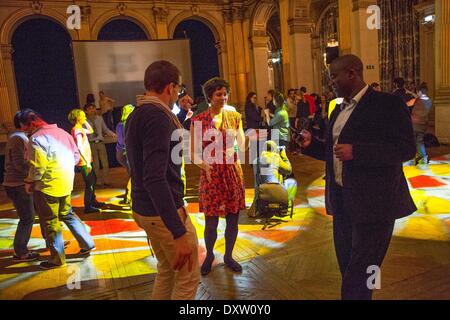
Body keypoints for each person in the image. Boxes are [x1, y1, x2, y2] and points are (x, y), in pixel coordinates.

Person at [295, 54, 416, 300]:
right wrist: (310, 145)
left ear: (352, 73)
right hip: (343, 204)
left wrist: (358, 152)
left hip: (375, 205)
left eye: (334, 77)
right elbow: (335, 153)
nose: (331, 83)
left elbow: (406, 149)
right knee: (349, 269)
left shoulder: (387, 104)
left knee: (359, 275)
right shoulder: (338, 110)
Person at [125, 60, 199, 300]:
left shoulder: (138, 113)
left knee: (167, 269)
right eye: (178, 88)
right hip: (161, 214)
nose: (178, 93)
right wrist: (178, 233)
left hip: (145, 209)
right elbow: (154, 178)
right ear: (169, 87)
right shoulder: (157, 116)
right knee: (188, 277)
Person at [19, 109, 95, 269]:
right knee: (68, 214)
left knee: (51, 222)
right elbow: (75, 156)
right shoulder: (62, 132)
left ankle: (57, 259)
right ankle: (87, 243)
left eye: (24, 127)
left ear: (32, 123)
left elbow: (38, 168)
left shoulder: (36, 139)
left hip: (47, 187)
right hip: (66, 182)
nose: (24, 131)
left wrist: (29, 181)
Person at [190, 77, 246, 276]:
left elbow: (242, 144)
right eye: (219, 94)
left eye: (225, 94)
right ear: (209, 97)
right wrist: (205, 166)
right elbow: (193, 153)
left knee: (233, 219)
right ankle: (210, 254)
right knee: (211, 221)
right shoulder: (198, 121)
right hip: (212, 176)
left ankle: (229, 256)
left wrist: (237, 129)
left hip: (232, 174)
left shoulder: (234, 117)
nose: (223, 97)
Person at [3, 111, 40, 261]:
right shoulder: (17, 138)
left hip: (20, 183)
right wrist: (34, 171)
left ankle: (50, 241)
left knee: (32, 215)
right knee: (27, 218)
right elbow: (18, 164)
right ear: (24, 123)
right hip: (17, 184)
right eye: (31, 120)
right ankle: (20, 252)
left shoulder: (20, 137)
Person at [68, 109, 105, 214]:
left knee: (93, 179)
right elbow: (79, 147)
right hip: (83, 162)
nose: (85, 117)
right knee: (90, 182)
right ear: (77, 118)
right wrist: (87, 162)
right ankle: (88, 206)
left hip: (86, 160)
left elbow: (91, 131)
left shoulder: (80, 128)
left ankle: (93, 201)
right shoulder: (77, 130)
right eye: (83, 116)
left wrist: (85, 122)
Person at [84, 103, 117, 186]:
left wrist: (113, 134)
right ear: (86, 111)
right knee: (95, 165)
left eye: (93, 108)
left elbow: (105, 129)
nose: (92, 110)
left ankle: (106, 180)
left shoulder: (99, 118)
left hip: (100, 143)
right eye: (90, 108)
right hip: (91, 143)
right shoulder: (84, 121)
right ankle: (97, 181)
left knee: (105, 163)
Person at [116, 104, 135, 205]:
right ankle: (128, 198)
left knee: (132, 175)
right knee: (134, 175)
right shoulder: (129, 124)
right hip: (127, 152)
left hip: (120, 153)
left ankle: (128, 197)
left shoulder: (119, 125)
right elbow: (127, 141)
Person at [411, 82, 433, 165]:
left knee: (412, 141)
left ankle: (413, 158)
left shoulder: (416, 100)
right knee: (420, 141)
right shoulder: (429, 101)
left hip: (414, 124)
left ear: (419, 92)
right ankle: (423, 157)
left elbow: (408, 103)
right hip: (423, 125)